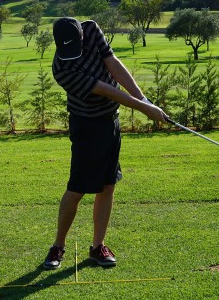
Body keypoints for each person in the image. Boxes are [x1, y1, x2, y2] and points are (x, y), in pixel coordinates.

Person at [43, 17, 168, 269]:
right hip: (87, 126)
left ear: (81, 35)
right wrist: (145, 109)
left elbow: (113, 64)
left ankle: (98, 246)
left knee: (107, 186)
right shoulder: (62, 69)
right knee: (77, 189)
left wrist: (143, 98)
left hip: (110, 121)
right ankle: (58, 246)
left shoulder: (91, 28)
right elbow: (108, 90)